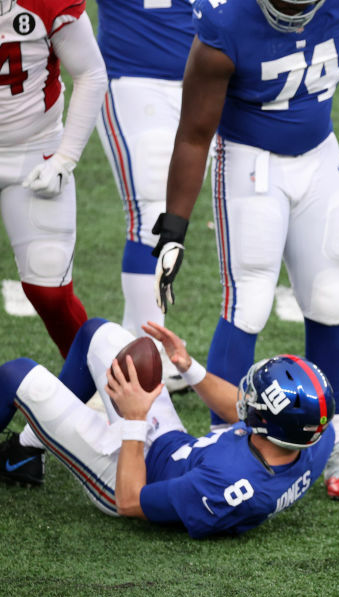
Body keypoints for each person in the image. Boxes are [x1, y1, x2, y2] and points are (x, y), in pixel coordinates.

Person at [150, 0, 339, 502]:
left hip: (320, 157)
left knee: (329, 299)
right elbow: (194, 134)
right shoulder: (226, 22)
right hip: (250, 163)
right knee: (249, 302)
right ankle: (224, 440)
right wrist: (174, 229)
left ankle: (338, 441)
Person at [0, 317, 336, 538]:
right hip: (172, 446)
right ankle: (24, 453)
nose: (246, 397)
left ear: (266, 424)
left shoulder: (228, 483)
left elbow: (130, 501)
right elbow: (240, 407)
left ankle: (28, 447)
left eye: (255, 399)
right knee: (98, 332)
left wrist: (134, 420)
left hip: (126, 475)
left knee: (19, 375)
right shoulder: (314, 436)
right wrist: (188, 367)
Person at [93, 0, 196, 389]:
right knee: (153, 216)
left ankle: (136, 360)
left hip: (215, 74)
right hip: (135, 75)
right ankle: (142, 364)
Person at [0, 0, 107, 357]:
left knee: (50, 291)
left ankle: (89, 381)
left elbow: (90, 73)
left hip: (33, 148)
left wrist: (65, 157)